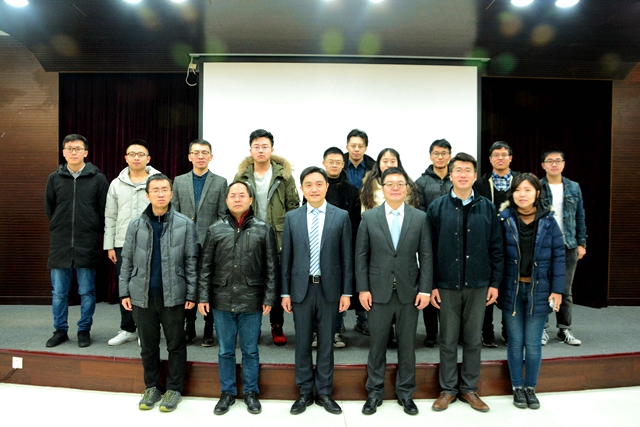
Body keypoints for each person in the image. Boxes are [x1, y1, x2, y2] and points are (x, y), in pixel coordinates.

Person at [428, 153, 503, 413]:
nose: (462, 174)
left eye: (467, 170)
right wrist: (432, 284)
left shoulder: (488, 207)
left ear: (474, 175)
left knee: (473, 339)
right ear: (450, 175)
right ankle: (448, 389)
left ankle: (469, 388)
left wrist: (494, 283)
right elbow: (428, 250)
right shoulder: (437, 207)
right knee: (448, 340)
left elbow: (496, 248)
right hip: (447, 284)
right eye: (458, 169)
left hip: (478, 283)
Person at [356, 167, 432, 416]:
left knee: (407, 346)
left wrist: (425, 290)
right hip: (377, 292)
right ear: (382, 188)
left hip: (410, 293)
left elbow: (427, 256)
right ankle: (374, 392)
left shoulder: (419, 218)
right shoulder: (369, 218)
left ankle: (406, 393)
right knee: (377, 345)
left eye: (400, 183)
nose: (395, 187)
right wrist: (363, 289)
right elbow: (361, 256)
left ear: (407, 188)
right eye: (390, 183)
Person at [197, 181, 279, 415]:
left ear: (250, 200)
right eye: (232, 195)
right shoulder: (215, 229)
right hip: (221, 298)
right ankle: (228, 392)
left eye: (242, 195)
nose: (237, 199)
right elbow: (205, 266)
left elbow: (272, 267)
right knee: (225, 349)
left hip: (252, 299)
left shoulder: (264, 229)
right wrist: (203, 296)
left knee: (250, 350)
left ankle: (251, 392)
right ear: (226, 200)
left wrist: (269, 297)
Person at [119, 174, 198, 412]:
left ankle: (174, 389)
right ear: (148, 195)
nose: (160, 194)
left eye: (165, 189)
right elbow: (127, 260)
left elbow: (191, 262)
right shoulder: (135, 225)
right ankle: (152, 387)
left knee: (176, 344)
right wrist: (124, 292)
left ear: (171, 194)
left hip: (174, 296)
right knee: (148, 346)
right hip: (142, 296)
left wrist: (191, 294)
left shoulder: (185, 224)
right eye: (155, 190)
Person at [281, 167, 353, 415]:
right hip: (301, 290)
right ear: (302, 188)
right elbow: (286, 259)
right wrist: (285, 293)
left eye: (319, 184)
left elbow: (347, 257)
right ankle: (304, 391)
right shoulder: (292, 217)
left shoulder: (341, 216)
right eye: (309, 184)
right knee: (302, 342)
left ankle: (324, 391)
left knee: (326, 343)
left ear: (326, 187)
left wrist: (347, 292)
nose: (314, 189)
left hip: (329, 290)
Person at [499, 173, 565, 409]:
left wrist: (557, 290)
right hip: (512, 289)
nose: (522, 194)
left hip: (540, 290)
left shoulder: (549, 221)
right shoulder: (504, 219)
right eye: (518, 190)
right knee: (515, 341)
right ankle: (517, 387)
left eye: (527, 190)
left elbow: (559, 257)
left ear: (537, 193)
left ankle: (531, 388)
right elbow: (496, 255)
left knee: (533, 342)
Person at [235, 129, 300, 346]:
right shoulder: (242, 176)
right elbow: (235, 205)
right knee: (252, 282)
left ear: (272, 149)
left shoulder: (284, 176)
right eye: (256, 146)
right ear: (250, 150)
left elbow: (293, 207)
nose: (261, 150)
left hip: (277, 235)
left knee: (276, 281)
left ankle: (277, 324)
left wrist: (290, 235)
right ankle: (251, 327)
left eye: (265, 146)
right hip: (250, 234)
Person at [44, 134, 108, 348]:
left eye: (78, 149)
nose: (73, 152)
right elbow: (49, 208)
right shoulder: (54, 178)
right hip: (60, 243)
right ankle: (60, 330)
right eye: (69, 149)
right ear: (63, 153)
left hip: (86, 242)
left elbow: (103, 210)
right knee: (59, 293)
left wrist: (91, 227)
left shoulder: (98, 179)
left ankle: (84, 330)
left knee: (87, 291)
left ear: (85, 152)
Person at [360, 148, 419, 347]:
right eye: (385, 160)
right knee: (377, 341)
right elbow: (361, 253)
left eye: (393, 160)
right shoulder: (368, 190)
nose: (389, 164)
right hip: (378, 254)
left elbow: (425, 253)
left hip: (404, 257)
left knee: (407, 341)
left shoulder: (411, 192)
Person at [105, 139, 160, 346]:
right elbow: (110, 216)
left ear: (148, 158)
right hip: (123, 243)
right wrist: (110, 245)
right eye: (132, 154)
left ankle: (147, 329)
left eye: (141, 154)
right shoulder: (116, 184)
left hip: (152, 242)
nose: (136, 158)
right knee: (125, 284)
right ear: (126, 158)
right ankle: (128, 328)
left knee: (150, 285)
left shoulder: (158, 181)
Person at [173, 138, 228, 347]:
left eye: (204, 152)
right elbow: (174, 213)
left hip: (210, 243)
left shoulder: (220, 182)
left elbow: (223, 216)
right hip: (184, 241)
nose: (200, 156)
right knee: (187, 284)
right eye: (196, 152)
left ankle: (208, 326)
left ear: (211, 157)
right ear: (189, 157)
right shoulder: (179, 181)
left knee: (209, 285)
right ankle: (189, 326)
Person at [473, 141, 520, 348]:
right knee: (487, 286)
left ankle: (509, 331)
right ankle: (487, 332)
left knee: (510, 287)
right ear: (490, 159)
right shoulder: (480, 184)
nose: (500, 158)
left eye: (504, 154)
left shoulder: (520, 182)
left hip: (514, 241)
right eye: (496, 155)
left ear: (510, 158)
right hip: (487, 241)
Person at [540, 148, 587, 346]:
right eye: (549, 161)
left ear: (564, 164)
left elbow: (580, 216)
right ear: (543, 165)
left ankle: (564, 329)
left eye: (557, 160)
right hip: (543, 244)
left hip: (568, 244)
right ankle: (542, 329)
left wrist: (581, 243)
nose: (554, 164)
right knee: (542, 288)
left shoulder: (574, 187)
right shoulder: (538, 186)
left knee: (565, 289)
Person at [321, 146, 361, 348]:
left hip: (344, 246)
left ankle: (336, 331)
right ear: (324, 163)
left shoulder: (352, 191)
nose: (334, 165)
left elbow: (355, 222)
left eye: (338, 162)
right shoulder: (318, 187)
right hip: (319, 245)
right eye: (331, 162)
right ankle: (317, 332)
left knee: (337, 291)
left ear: (343, 164)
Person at [415, 138, 453, 348]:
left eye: (444, 153)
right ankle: (431, 332)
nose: (440, 157)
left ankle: (450, 331)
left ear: (449, 156)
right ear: (430, 156)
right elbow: (419, 210)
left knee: (449, 287)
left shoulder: (456, 178)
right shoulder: (421, 182)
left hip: (453, 241)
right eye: (436, 153)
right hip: (429, 240)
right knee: (429, 283)